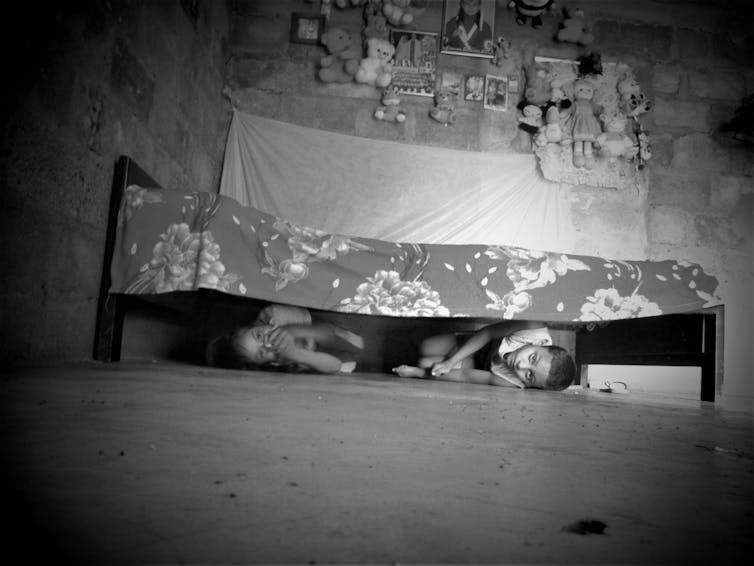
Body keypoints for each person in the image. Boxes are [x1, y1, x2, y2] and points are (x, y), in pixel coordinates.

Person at [392, 321, 575, 391]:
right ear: (540, 344)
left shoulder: (514, 382)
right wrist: (451, 361)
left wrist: (419, 373)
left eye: (529, 374)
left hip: (478, 364)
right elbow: (487, 333)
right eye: (533, 358)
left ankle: (415, 365)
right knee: (426, 346)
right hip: (479, 342)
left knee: (424, 362)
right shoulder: (532, 328)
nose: (521, 365)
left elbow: (466, 376)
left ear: (529, 383)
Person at [206, 304, 363, 374]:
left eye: (259, 336)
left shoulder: (274, 316)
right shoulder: (281, 361)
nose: (267, 344)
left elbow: (326, 333)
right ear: (267, 363)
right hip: (327, 355)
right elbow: (335, 365)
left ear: (257, 324)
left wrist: (291, 331)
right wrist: (296, 354)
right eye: (261, 353)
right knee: (347, 364)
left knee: (340, 332)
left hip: (323, 326)